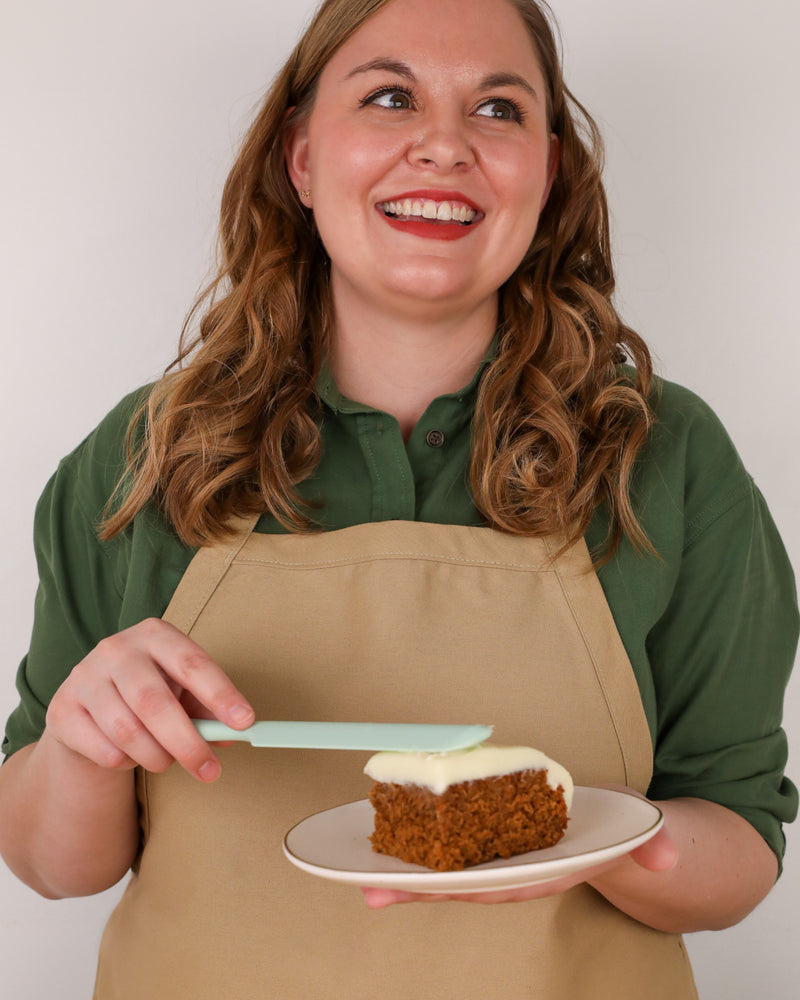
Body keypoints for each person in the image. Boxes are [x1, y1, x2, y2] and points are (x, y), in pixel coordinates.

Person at [0, 0, 796, 996]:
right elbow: (49, 862)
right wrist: (81, 742)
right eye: (388, 96)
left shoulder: (662, 458)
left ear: (545, 172)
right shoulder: (145, 456)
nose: (442, 146)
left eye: (498, 110)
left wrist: (582, 843)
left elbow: (739, 843)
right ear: (299, 156)